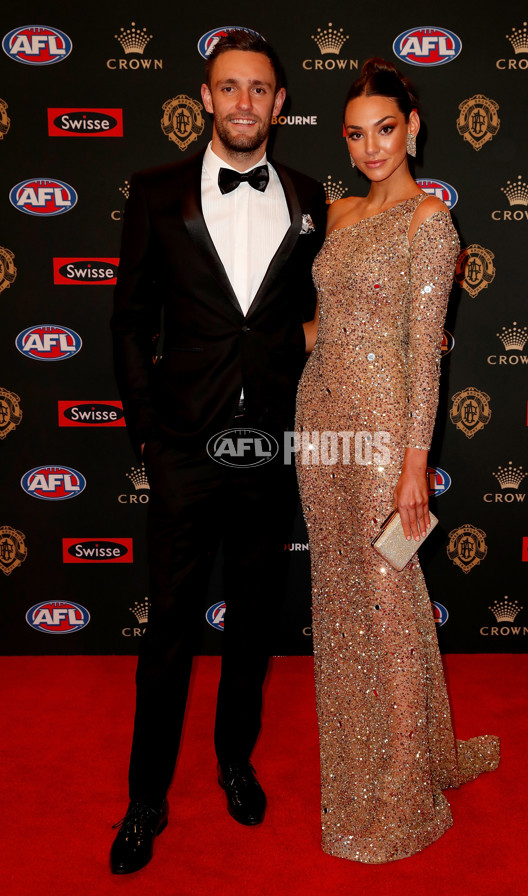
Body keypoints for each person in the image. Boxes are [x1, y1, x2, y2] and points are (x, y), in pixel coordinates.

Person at [109, 29, 326, 874]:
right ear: (206, 98)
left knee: (253, 625)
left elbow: (318, 317)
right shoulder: (156, 192)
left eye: (259, 89)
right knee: (169, 627)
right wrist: (148, 434)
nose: (244, 103)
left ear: (279, 103)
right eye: (228, 88)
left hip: (268, 448)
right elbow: (129, 323)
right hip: (185, 450)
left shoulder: (309, 197)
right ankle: (145, 799)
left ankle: (235, 761)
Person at [295, 58, 500, 863]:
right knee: (345, 602)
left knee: (386, 603)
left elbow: (426, 357)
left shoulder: (430, 220)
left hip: (383, 437)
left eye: (386, 129)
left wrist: (415, 463)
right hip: (319, 425)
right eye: (356, 134)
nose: (372, 146)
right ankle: (364, 755)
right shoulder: (340, 215)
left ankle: (404, 787)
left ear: (412, 128)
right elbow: (322, 327)